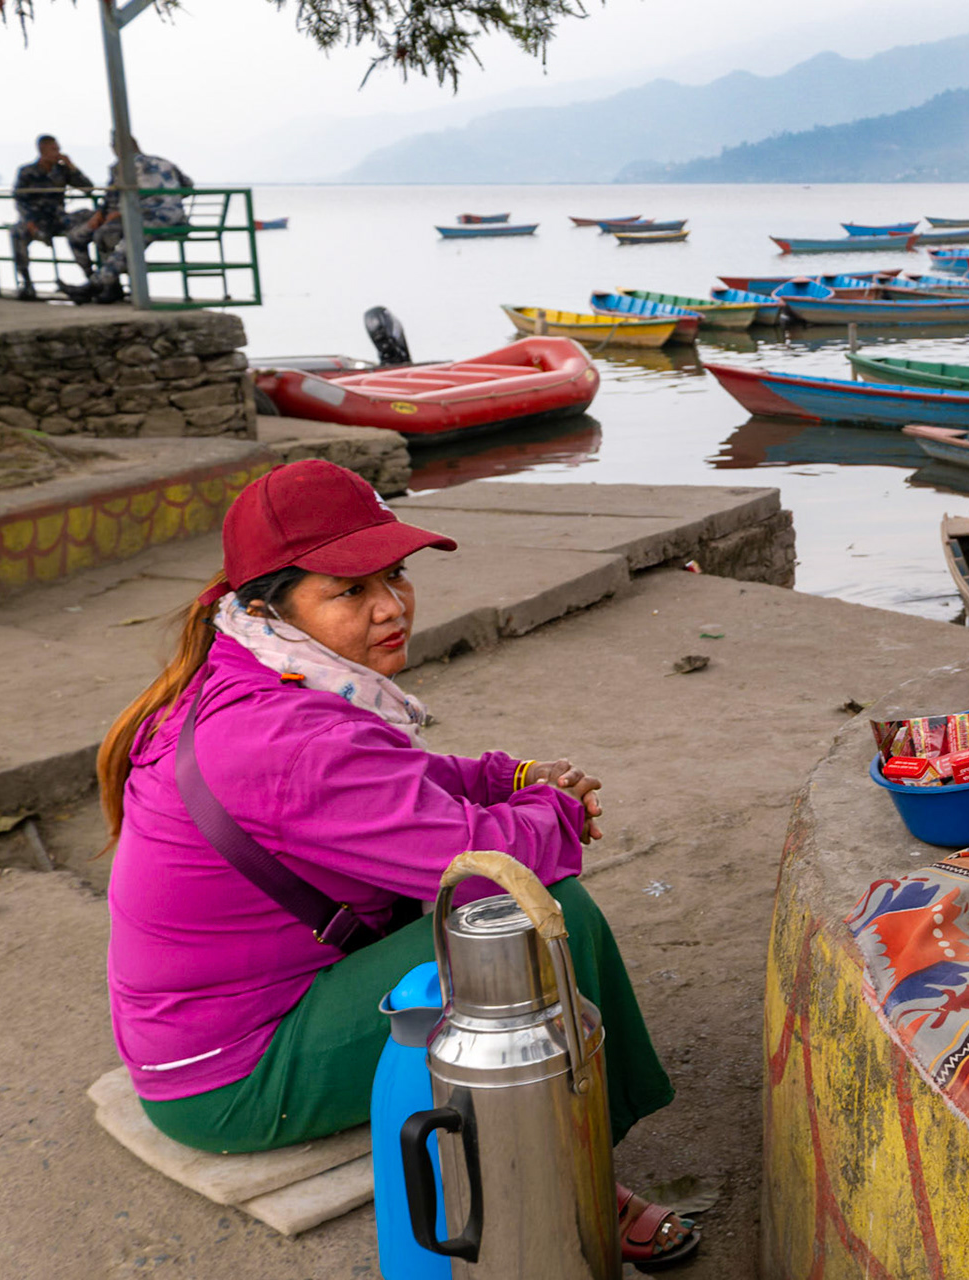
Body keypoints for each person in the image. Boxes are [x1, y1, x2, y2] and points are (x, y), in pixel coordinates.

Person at [98, 460, 699, 1269]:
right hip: (227, 1079)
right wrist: (554, 808)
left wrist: (507, 778)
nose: (391, 606)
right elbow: (490, 861)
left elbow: (392, 786)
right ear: (268, 605)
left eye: (395, 575)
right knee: (533, 917)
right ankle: (581, 1168)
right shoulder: (291, 739)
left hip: (190, 1034)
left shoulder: (250, 673)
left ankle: (570, 1130)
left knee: (492, 906)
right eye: (349, 591)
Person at [60, 136, 193, 305]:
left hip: (146, 218)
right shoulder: (163, 162)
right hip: (176, 220)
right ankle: (104, 284)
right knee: (109, 234)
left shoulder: (122, 167)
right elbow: (188, 187)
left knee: (114, 237)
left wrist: (114, 212)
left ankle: (97, 285)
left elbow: (113, 197)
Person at [9, 135, 96, 300]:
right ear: (43, 151)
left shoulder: (62, 170)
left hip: (58, 218)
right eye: (54, 149)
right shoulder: (27, 172)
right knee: (17, 233)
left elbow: (88, 188)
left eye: (58, 149)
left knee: (82, 227)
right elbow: (20, 200)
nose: (58, 153)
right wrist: (29, 223)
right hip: (36, 220)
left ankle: (93, 280)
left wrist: (71, 167)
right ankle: (26, 284)